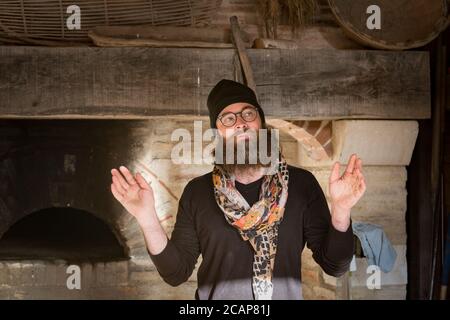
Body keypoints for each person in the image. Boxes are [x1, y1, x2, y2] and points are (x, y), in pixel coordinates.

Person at [110, 79, 366, 300]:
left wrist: (341, 209)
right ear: (218, 133)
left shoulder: (301, 185)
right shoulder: (197, 193)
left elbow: (335, 266)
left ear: (261, 123)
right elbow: (176, 274)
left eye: (248, 114)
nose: (241, 123)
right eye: (228, 118)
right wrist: (147, 219)